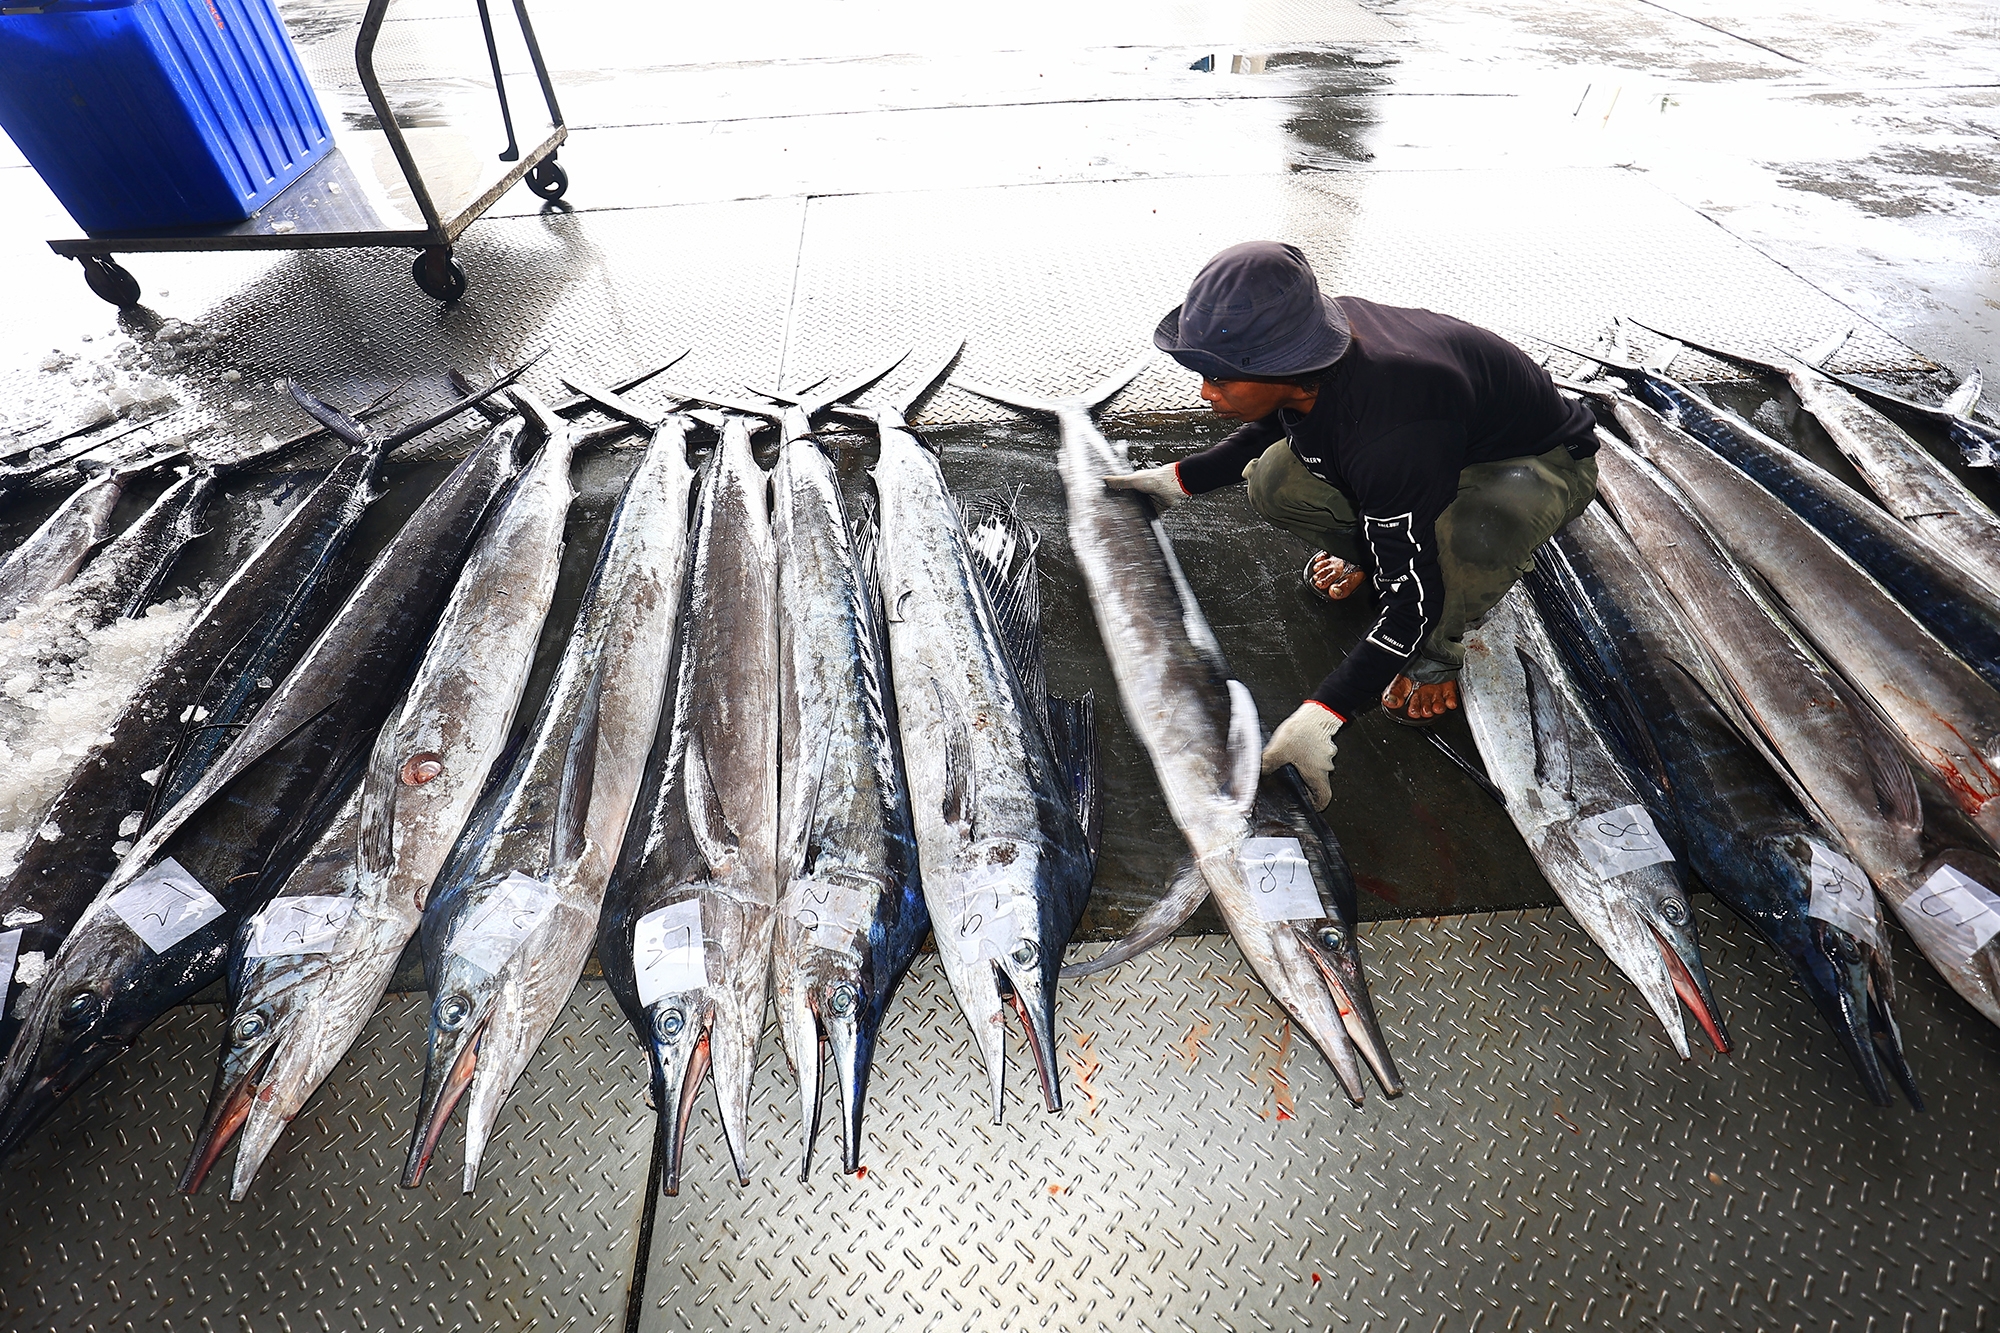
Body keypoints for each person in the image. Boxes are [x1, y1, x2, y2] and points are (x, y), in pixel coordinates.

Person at [1108, 240, 1598, 809]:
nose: (1204, 393)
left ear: (1287, 369)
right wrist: (1181, 479)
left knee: (1462, 545)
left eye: (1220, 380)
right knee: (1275, 481)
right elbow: (1278, 419)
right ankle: (1381, 550)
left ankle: (1436, 655)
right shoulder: (1310, 344)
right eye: (1202, 373)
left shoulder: (1390, 433)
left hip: (1531, 460)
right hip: (1431, 442)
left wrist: (1325, 714)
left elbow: (1415, 599)